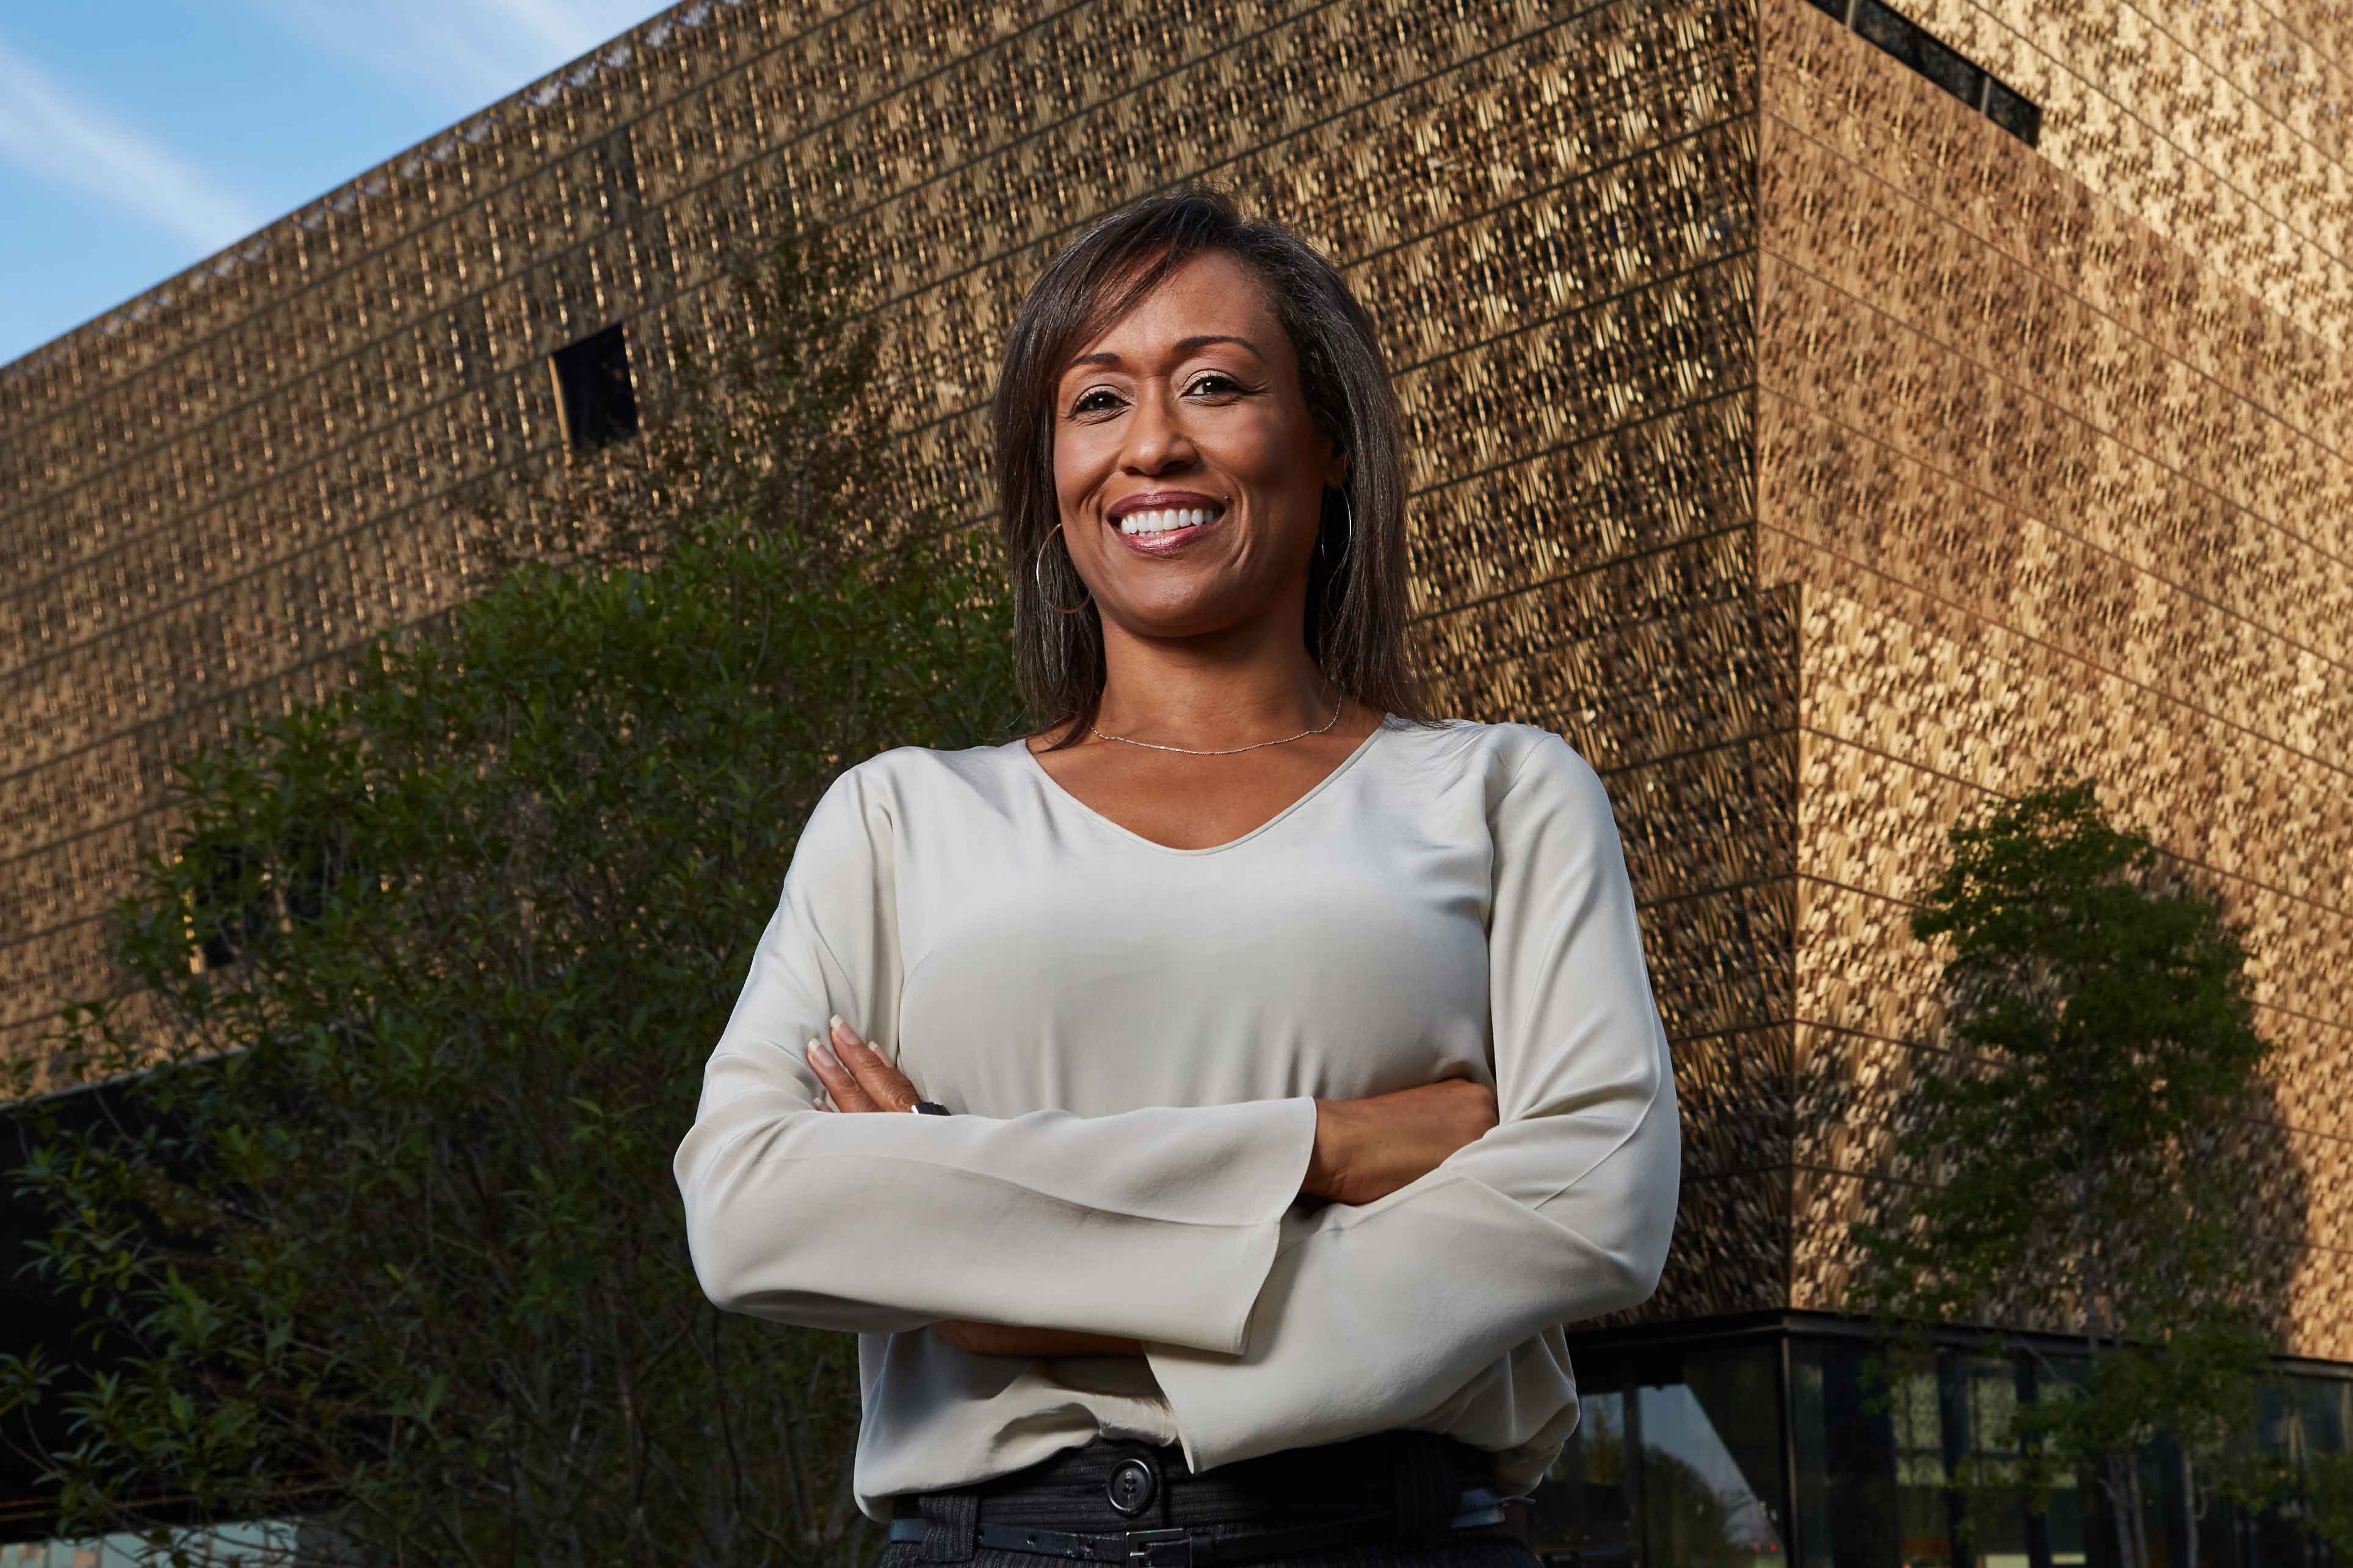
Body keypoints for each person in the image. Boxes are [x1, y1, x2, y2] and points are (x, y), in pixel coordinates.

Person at [672, 186, 1681, 1567]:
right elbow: (750, 1208)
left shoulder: (1503, 791)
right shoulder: (897, 819)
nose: (1152, 444)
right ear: (1049, 470)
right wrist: (1321, 1147)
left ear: (1326, 442)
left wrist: (987, 1265)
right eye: (1095, 402)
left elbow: (1596, 1199)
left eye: (1213, 385)